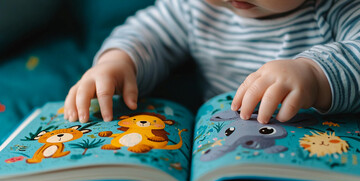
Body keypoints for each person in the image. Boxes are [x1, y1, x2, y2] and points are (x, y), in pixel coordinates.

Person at [64, 0, 360, 124]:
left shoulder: (335, 8)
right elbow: (147, 33)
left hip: (313, 143)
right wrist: (116, 64)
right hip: (219, 142)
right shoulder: (196, 8)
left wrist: (314, 75)